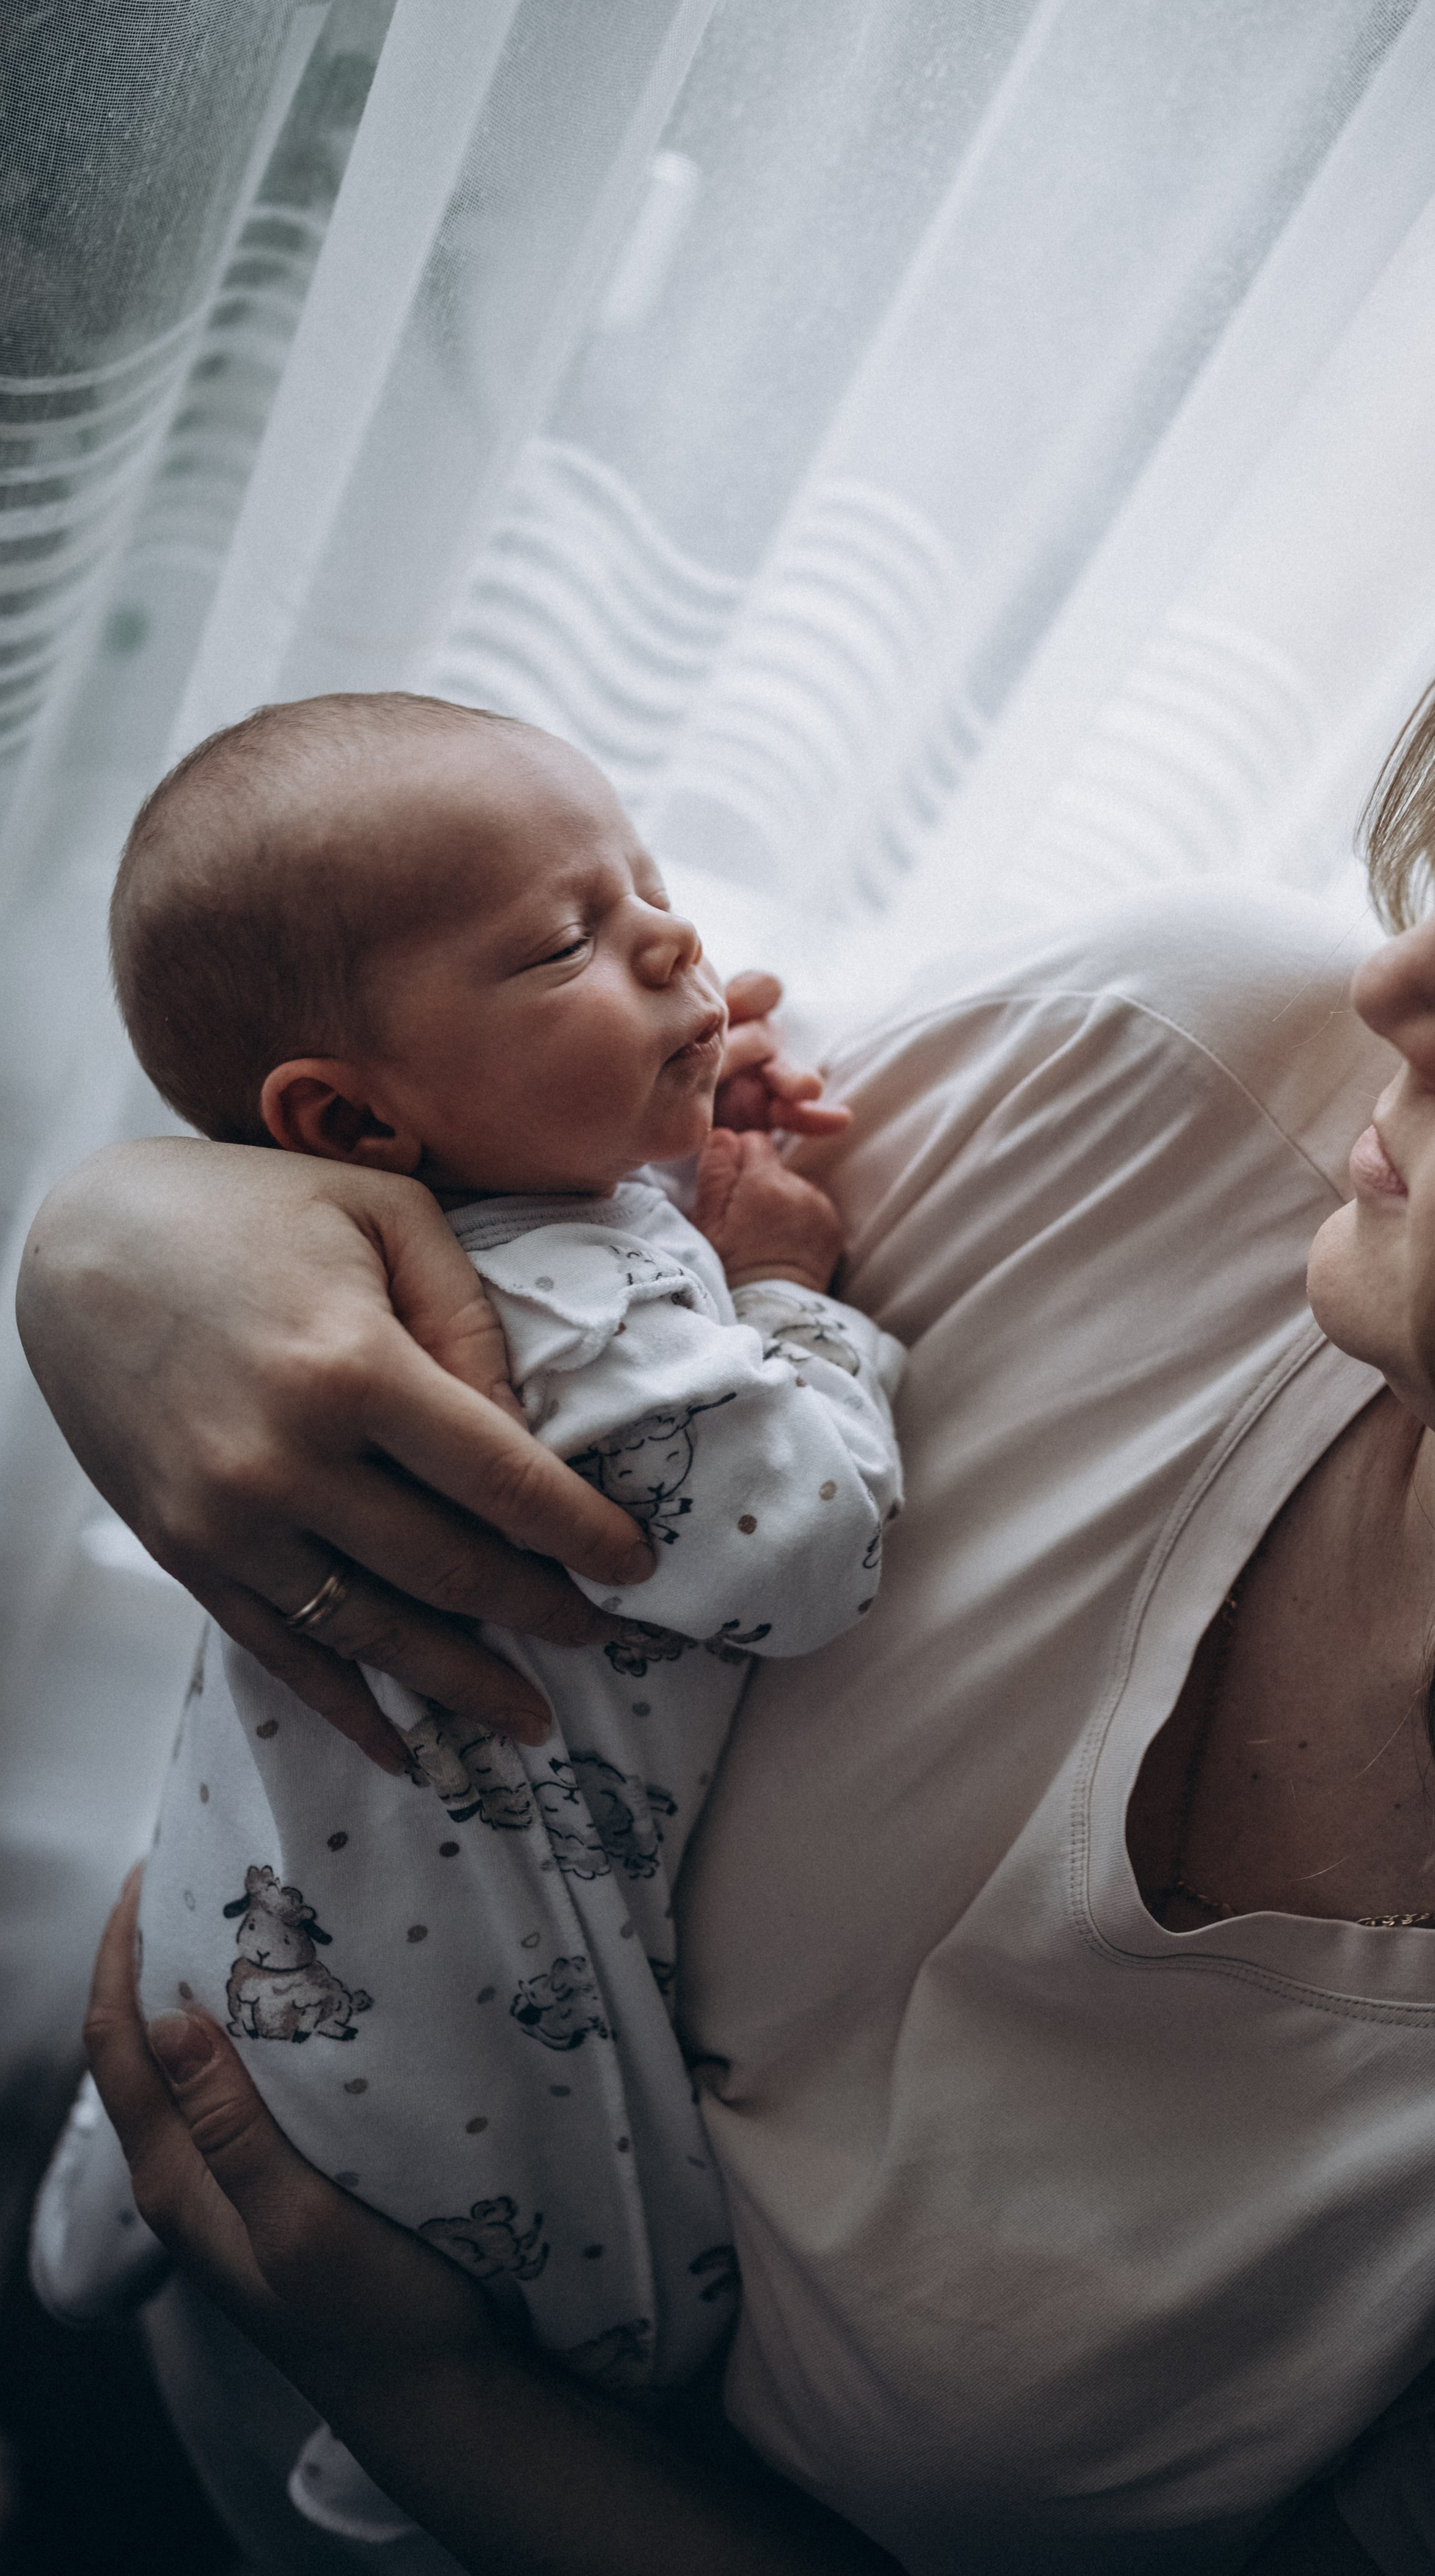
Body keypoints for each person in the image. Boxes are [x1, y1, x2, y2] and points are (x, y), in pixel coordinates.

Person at [27, 405, 1435, 2574]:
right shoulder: (1159, 1071)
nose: (1399, 977)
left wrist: (428, 2399)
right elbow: (532, 1223)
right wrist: (119, 1240)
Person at [40, 694, 906, 2539]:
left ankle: (74, 2258)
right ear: (349, 1116)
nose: (675, 941)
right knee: (625, 2314)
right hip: (449, 2053)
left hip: (241, 1915)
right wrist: (782, 1289)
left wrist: (663, 1139)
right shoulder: (583, 1326)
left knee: (191, 2084)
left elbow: (578, 1253)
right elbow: (802, 1540)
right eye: (567, 940)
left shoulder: (440, 1274)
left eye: (646, 883)